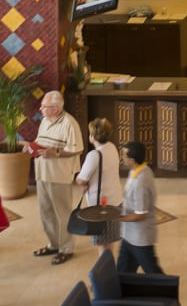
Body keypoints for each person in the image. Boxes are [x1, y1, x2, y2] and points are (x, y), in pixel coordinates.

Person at [29, 90, 83, 264]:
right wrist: (32, 148)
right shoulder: (44, 121)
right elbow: (41, 141)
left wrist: (56, 153)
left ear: (54, 108)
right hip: (42, 173)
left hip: (59, 175)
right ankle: (53, 244)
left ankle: (66, 248)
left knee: (62, 213)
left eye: (44, 106)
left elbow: (77, 149)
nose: (40, 109)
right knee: (46, 212)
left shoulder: (69, 123)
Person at [75, 117, 124, 255]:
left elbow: (81, 179)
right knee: (109, 241)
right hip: (115, 200)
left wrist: (82, 182)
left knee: (103, 243)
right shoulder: (112, 148)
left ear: (92, 137)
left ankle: (106, 272)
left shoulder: (94, 155)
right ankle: (108, 269)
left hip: (101, 206)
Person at [116, 141, 163, 273]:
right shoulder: (140, 169)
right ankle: (117, 288)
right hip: (129, 235)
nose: (122, 159)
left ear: (132, 160)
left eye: (124, 156)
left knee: (153, 272)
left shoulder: (140, 182)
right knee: (123, 270)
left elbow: (141, 214)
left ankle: (166, 291)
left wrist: (119, 217)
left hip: (140, 238)